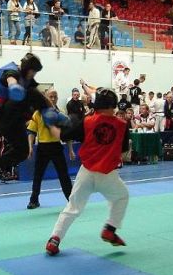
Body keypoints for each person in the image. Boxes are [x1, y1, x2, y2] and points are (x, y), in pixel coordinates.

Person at [45, 87, 129, 255]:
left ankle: (54, 239)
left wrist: (49, 124)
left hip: (86, 172)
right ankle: (110, 229)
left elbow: (63, 135)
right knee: (121, 197)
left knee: (73, 207)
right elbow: (124, 150)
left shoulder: (87, 121)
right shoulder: (123, 125)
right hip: (108, 174)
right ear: (113, 105)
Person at [0, 53, 64, 185]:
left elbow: (41, 97)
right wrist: (13, 87)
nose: (34, 75)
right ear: (27, 69)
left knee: (23, 151)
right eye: (33, 72)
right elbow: (11, 79)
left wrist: (55, 112)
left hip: (14, 121)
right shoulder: (11, 71)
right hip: (1, 115)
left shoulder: (28, 80)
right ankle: (50, 122)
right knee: (29, 92)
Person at [27, 88, 74, 209]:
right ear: (46, 98)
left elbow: (67, 134)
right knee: (38, 175)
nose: (53, 99)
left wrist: (71, 149)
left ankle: (72, 201)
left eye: (55, 97)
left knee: (64, 175)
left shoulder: (60, 113)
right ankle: (34, 200)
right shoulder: (38, 113)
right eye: (50, 97)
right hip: (42, 148)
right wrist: (30, 147)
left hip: (56, 147)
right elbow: (31, 132)